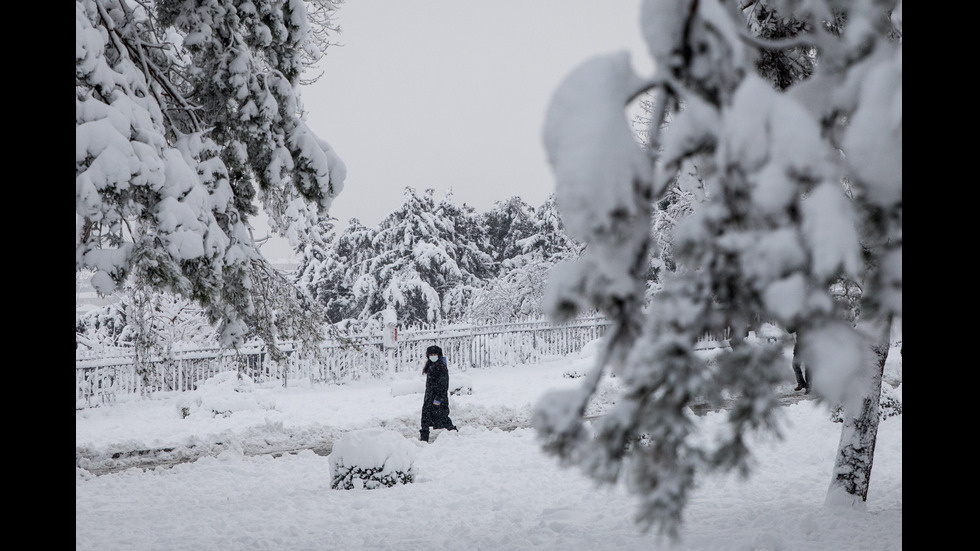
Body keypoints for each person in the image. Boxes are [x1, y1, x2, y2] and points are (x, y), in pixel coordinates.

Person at [419, 345, 458, 442]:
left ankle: (453, 433)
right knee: (425, 418)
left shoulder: (442, 368)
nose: (433, 356)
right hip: (429, 398)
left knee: (442, 418)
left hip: (438, 399)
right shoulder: (430, 366)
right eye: (431, 354)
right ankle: (424, 440)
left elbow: (443, 386)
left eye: (434, 354)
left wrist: (438, 399)